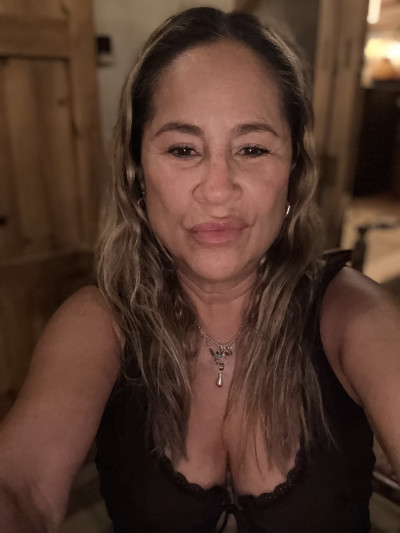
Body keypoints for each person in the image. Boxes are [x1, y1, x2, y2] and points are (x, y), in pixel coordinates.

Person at [0, 7, 399, 533]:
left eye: (252, 149)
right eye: (184, 149)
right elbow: (22, 487)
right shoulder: (99, 324)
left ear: (294, 172)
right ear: (137, 174)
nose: (217, 189)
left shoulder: (353, 315)